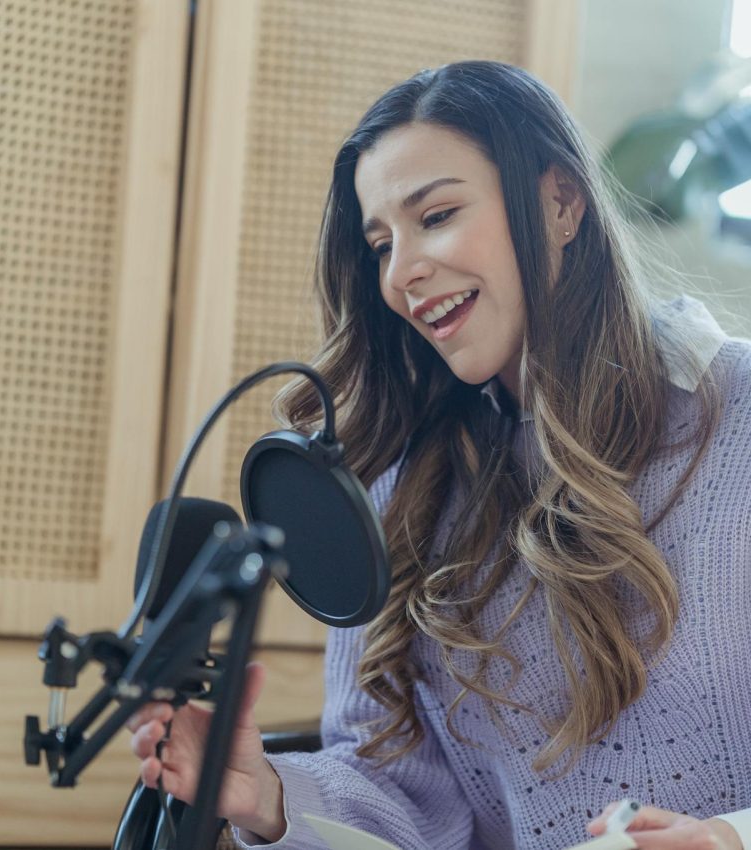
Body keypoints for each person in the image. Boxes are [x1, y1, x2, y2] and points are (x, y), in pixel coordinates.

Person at [128, 61, 751, 849]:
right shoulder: (402, 490)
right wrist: (271, 794)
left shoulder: (741, 416)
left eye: (438, 215)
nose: (402, 272)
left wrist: (728, 838)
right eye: (380, 242)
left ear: (561, 201)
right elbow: (406, 802)